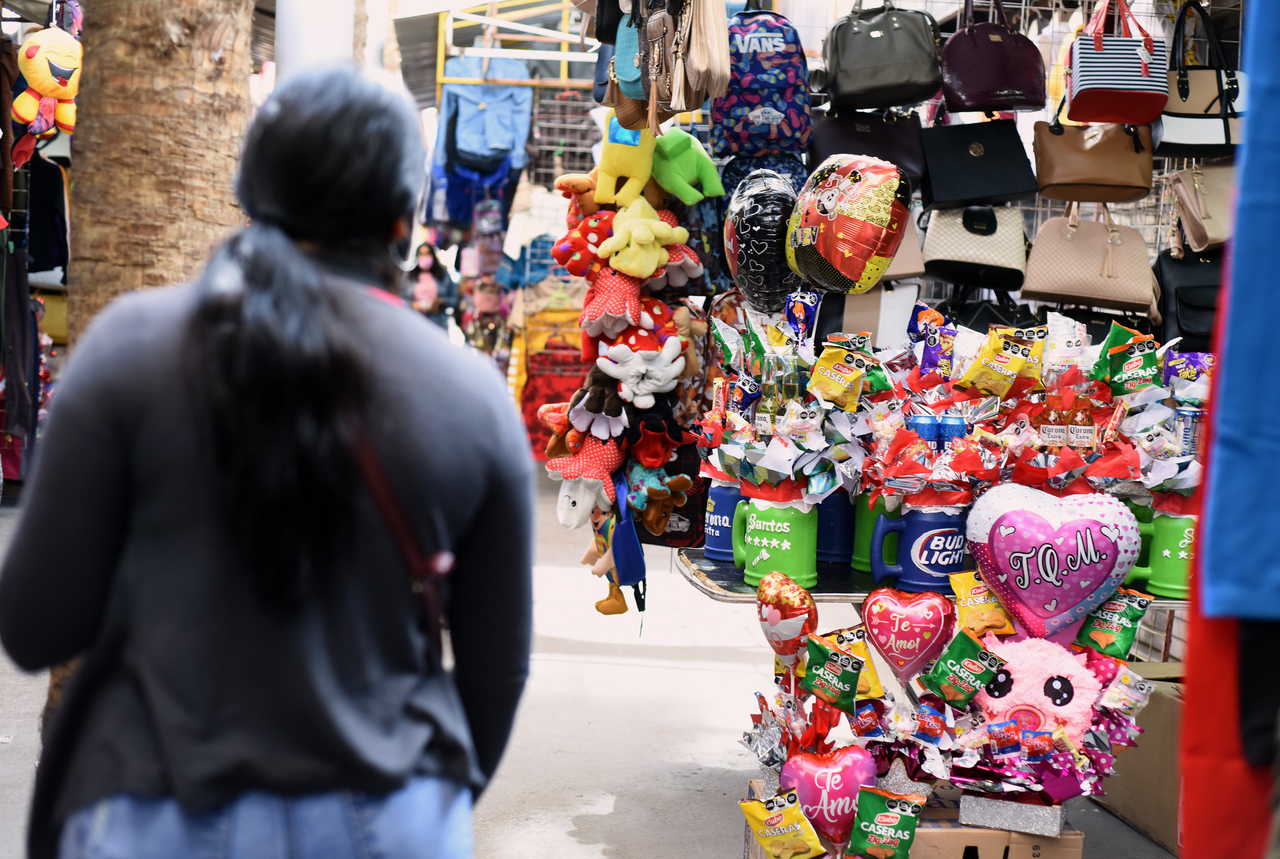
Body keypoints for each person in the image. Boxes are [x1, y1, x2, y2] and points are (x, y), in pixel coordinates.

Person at [0, 67, 533, 859]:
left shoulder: (129, 349)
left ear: (249, 193)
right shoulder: (470, 397)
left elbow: (35, 624)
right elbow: (497, 671)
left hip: (153, 806)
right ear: (401, 219)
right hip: (386, 816)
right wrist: (418, 810)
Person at [410, 243, 458, 329]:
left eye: (427, 253)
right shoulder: (410, 276)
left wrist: (442, 302)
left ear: (433, 255)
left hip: (437, 323)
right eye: (421, 254)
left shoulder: (443, 276)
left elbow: (455, 300)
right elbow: (401, 298)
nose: (424, 257)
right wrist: (413, 305)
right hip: (414, 322)